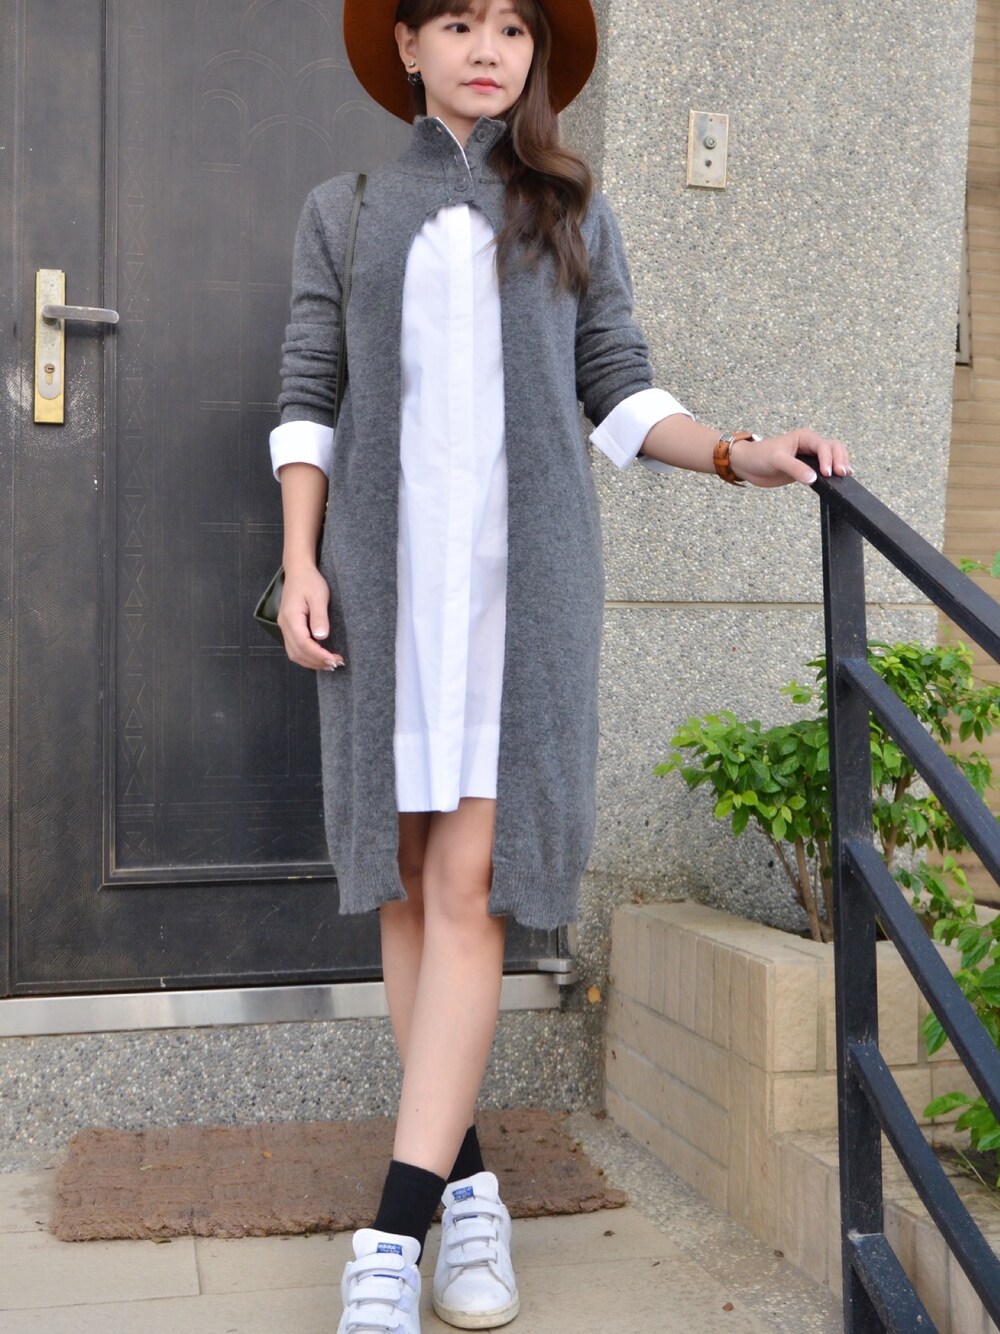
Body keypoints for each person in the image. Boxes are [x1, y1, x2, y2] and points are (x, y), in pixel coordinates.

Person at [269, 2, 850, 1330]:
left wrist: (739, 452)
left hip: (516, 606)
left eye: (515, 28)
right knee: (407, 890)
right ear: (406, 45)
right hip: (386, 597)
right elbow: (308, 395)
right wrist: (300, 561)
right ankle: (469, 1188)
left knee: (469, 886)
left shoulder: (571, 210)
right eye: (459, 22)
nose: (489, 50)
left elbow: (621, 389)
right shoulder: (344, 211)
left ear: (536, 55)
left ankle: (391, 1236)